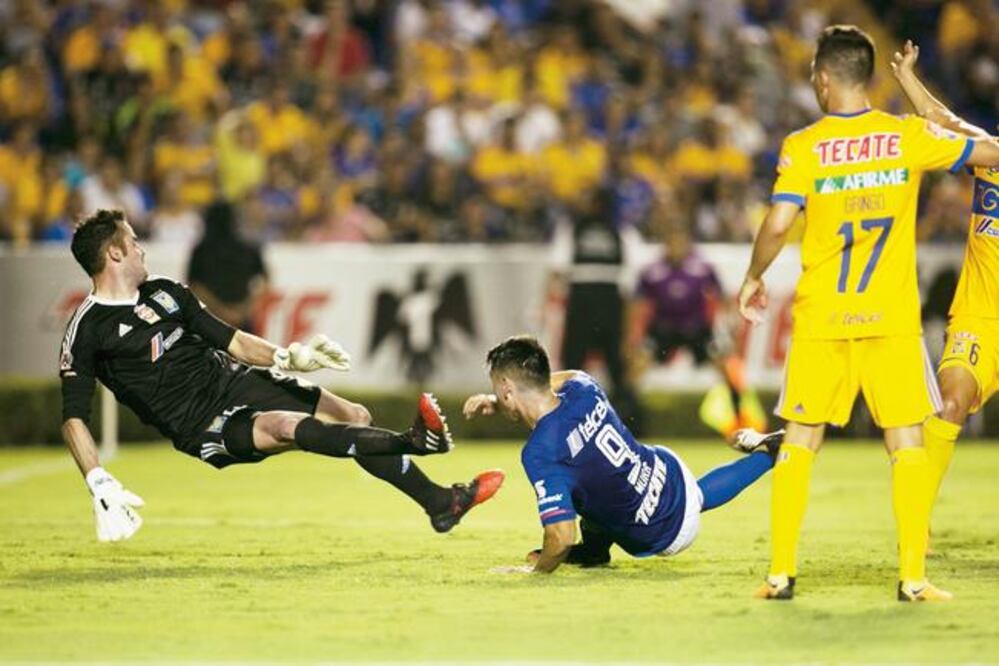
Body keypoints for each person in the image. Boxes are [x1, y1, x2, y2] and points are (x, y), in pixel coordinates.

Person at [735, 26, 999, 601]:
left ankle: (780, 576)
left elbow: (779, 224)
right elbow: (984, 152)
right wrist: (920, 99)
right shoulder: (905, 137)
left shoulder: (803, 147)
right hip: (891, 319)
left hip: (824, 316)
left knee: (802, 440)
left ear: (822, 80)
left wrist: (754, 278)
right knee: (905, 443)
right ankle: (912, 579)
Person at [60, 209, 503, 543]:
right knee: (284, 427)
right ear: (114, 252)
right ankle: (413, 442)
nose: (141, 249)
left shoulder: (165, 292)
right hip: (199, 422)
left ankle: (441, 504)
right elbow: (74, 416)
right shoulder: (88, 328)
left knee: (354, 414)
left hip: (235, 380)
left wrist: (291, 357)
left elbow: (233, 341)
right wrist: (97, 479)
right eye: (133, 242)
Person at [462, 335, 781, 574]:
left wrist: (534, 572)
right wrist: (502, 398)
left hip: (658, 530)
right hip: (661, 469)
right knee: (589, 475)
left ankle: (767, 455)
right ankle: (595, 551)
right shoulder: (583, 388)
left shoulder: (541, 451)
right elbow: (568, 375)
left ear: (506, 388)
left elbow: (560, 538)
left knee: (583, 481)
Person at [890, 40, 999, 526]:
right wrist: (907, 77)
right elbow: (945, 124)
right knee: (952, 401)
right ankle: (916, 521)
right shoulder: (992, 158)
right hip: (982, 317)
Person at [628, 224, 762, 439]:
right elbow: (637, 304)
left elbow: (721, 298)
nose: (676, 247)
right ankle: (628, 422)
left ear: (687, 244)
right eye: (672, 242)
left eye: (680, 242)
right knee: (635, 367)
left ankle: (740, 422)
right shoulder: (652, 271)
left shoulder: (701, 267)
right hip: (663, 330)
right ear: (665, 245)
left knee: (727, 366)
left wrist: (730, 327)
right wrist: (633, 337)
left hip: (696, 329)